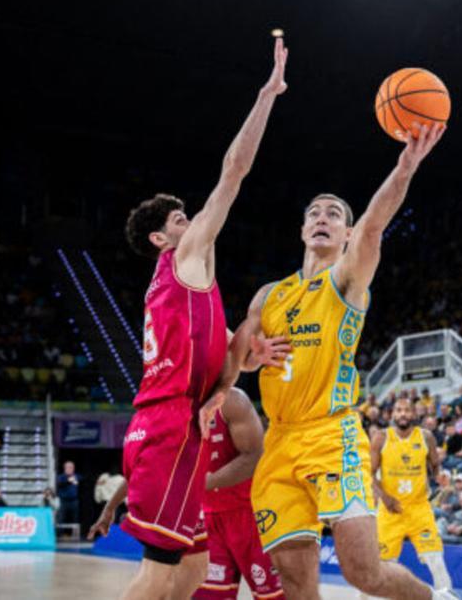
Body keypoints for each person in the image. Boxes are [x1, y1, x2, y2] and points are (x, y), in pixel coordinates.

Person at [241, 122, 449, 600]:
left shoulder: (348, 277)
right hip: (279, 444)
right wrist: (251, 356)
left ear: (346, 233)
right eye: (314, 212)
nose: (322, 217)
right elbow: (246, 362)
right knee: (295, 582)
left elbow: (375, 223)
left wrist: (405, 167)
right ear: (301, 229)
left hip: (332, 436)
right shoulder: (270, 296)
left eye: (334, 214)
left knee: (363, 573)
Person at [115, 37, 289, 600]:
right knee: (160, 572)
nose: (194, 219)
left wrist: (243, 352)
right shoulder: (182, 259)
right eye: (181, 217)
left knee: (192, 569)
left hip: (178, 421)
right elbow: (233, 171)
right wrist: (267, 96)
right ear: (161, 238)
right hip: (168, 427)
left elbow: (219, 361)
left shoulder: (190, 284)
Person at [188, 388, 282, 600]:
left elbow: (253, 456)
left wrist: (202, 484)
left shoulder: (232, 400)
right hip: (208, 517)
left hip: (251, 514)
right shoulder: (177, 405)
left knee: (273, 595)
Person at [368, 398, 452, 597]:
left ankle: (447, 596)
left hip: (419, 508)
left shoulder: (426, 437)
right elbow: (368, 474)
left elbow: (435, 466)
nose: (403, 414)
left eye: (407, 410)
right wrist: (385, 497)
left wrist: (440, 475)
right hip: (390, 511)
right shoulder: (381, 437)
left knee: (436, 560)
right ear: (392, 414)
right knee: (381, 566)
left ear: (414, 414)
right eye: (399, 410)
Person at [57, 461, 81, 533]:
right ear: (65, 468)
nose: (70, 469)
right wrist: (68, 481)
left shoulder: (76, 476)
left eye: (72, 467)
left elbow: (83, 480)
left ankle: (75, 535)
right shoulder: (61, 477)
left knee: (75, 518)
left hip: (74, 501)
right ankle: (60, 534)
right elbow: (59, 484)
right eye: (68, 467)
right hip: (63, 500)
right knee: (61, 517)